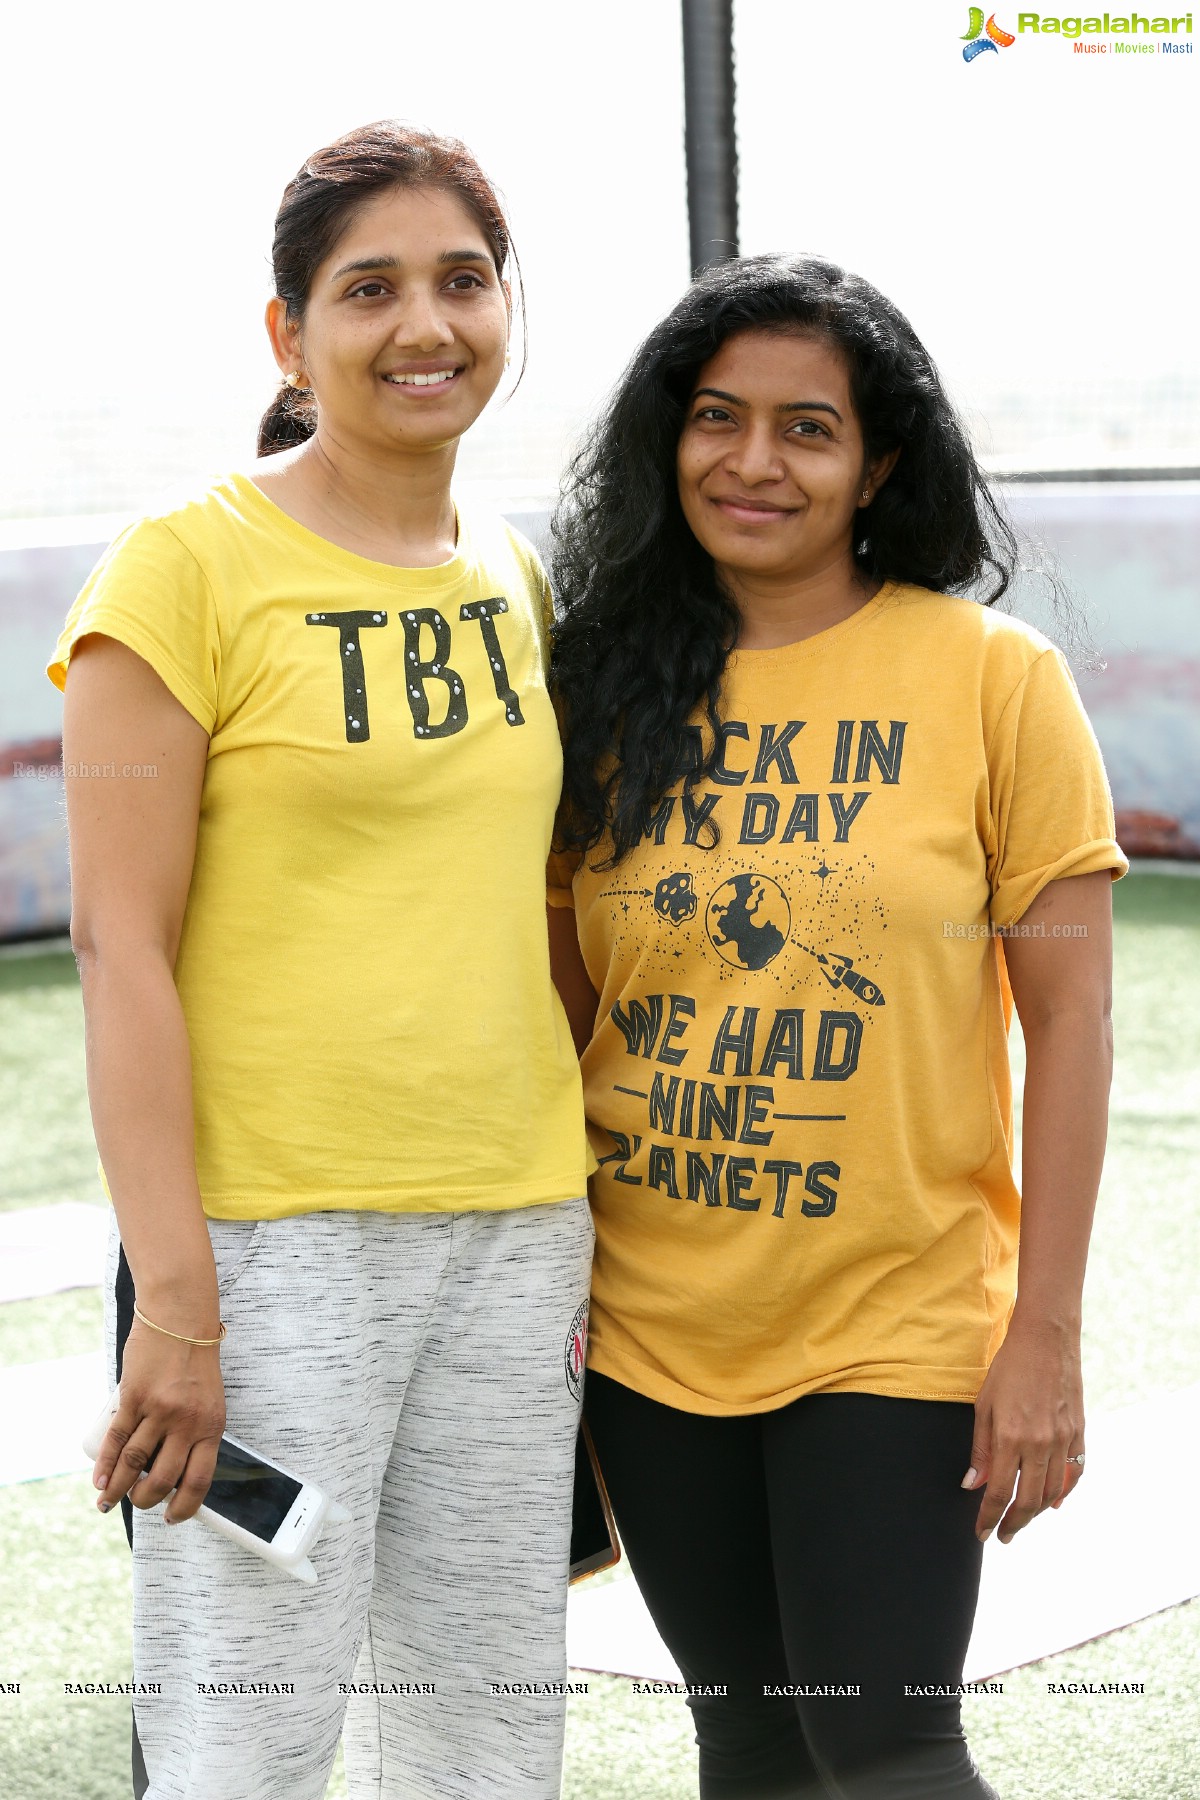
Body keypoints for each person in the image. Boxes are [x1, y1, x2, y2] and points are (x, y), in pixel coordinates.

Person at [48, 121, 593, 1800]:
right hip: (273, 1250)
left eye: (463, 282)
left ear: (508, 310)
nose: (426, 325)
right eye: (372, 290)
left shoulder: (517, 572)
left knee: (492, 1727)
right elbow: (116, 948)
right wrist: (182, 1305)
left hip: (518, 1234)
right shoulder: (187, 568)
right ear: (290, 335)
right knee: (246, 1734)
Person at [546, 253, 1126, 1800]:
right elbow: (562, 1010)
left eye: (809, 428)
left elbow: (1070, 1024)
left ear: (880, 461)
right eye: (718, 418)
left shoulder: (995, 681)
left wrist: (1045, 1337)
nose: (754, 461)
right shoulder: (599, 694)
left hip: (895, 1315)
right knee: (748, 1743)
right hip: (654, 1319)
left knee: (882, 1745)